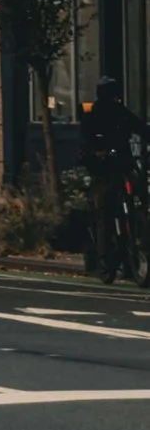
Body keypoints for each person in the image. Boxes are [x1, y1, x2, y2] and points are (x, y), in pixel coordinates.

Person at [81, 72, 147, 284]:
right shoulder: (92, 113)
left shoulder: (121, 112)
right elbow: (86, 140)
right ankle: (104, 260)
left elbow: (140, 128)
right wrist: (97, 153)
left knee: (140, 197)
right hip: (104, 170)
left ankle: (138, 235)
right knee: (105, 213)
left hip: (124, 165)